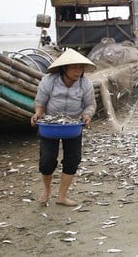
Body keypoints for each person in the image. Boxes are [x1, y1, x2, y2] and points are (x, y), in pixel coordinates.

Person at [30, 48, 97, 206]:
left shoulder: (85, 83)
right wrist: (38, 114)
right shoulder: (49, 80)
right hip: (50, 124)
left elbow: (90, 105)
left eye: (80, 68)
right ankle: (46, 190)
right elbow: (40, 103)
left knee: (73, 160)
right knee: (47, 160)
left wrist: (87, 115)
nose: (78, 71)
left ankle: (62, 195)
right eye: (74, 68)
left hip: (73, 125)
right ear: (64, 69)